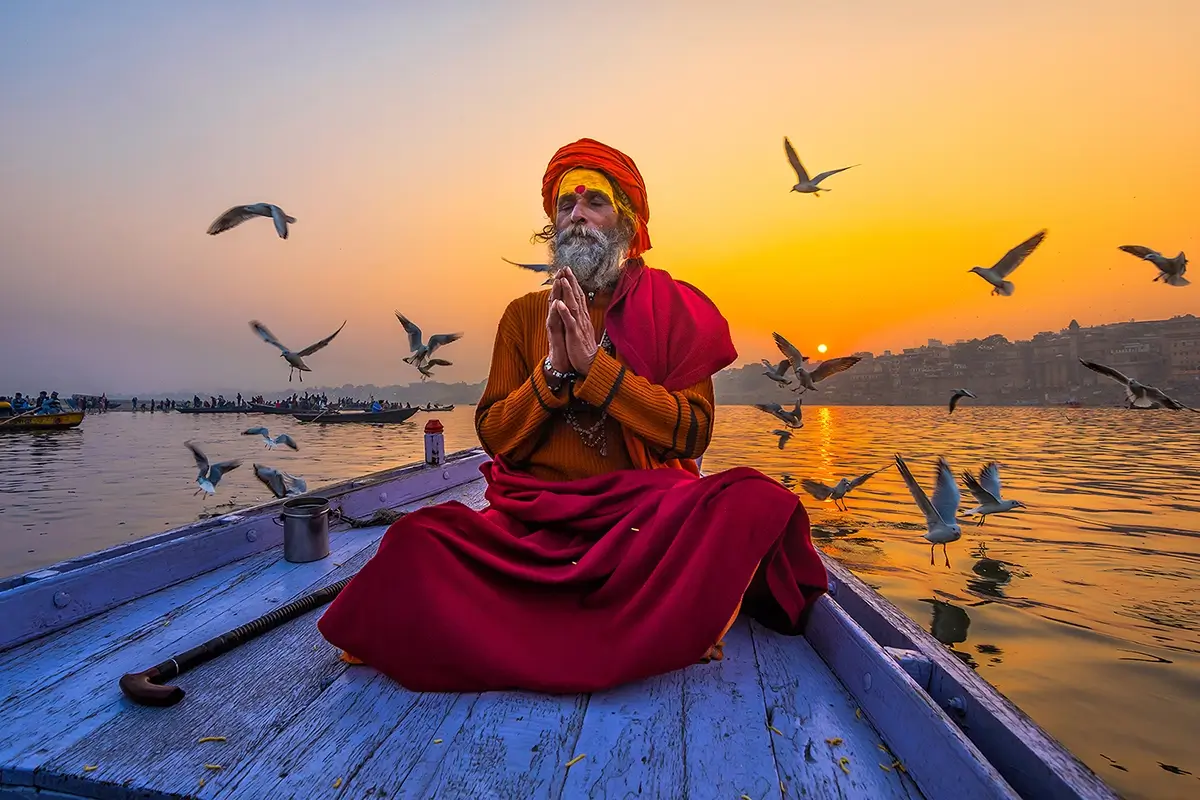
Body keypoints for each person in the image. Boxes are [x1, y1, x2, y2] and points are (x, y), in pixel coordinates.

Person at [318, 138, 828, 693]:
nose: (577, 215)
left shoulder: (672, 309)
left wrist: (598, 372)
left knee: (754, 499)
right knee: (415, 540)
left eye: (595, 202)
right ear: (551, 227)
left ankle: (598, 622)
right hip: (536, 525)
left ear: (628, 226)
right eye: (566, 205)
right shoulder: (524, 316)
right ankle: (665, 620)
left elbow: (694, 432)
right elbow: (494, 436)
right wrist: (554, 375)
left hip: (642, 522)